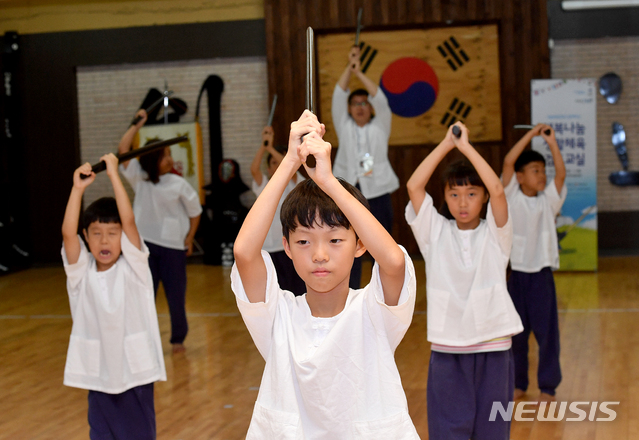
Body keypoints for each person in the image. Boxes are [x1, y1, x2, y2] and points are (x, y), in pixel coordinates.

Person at [232, 111, 419, 438]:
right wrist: (290, 160)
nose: (319, 254)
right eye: (303, 241)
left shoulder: (374, 311)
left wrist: (327, 181)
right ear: (286, 248)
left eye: (335, 240)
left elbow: (393, 262)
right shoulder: (279, 315)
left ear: (360, 245)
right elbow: (245, 253)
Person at [405, 122, 523, 440]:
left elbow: (499, 189)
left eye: (471, 193)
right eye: (454, 194)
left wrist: (466, 147)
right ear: (444, 196)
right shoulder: (434, 232)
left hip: (494, 345)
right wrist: (447, 145)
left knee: (493, 430)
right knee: (447, 431)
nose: (462, 202)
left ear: (483, 197)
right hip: (448, 348)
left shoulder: (498, 235)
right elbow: (415, 186)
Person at [61, 153, 166, 440]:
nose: (104, 241)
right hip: (98, 374)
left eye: (112, 233)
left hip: (136, 374)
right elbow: (68, 235)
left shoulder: (136, 268)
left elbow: (129, 220)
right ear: (86, 236)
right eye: (96, 233)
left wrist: (114, 176)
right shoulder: (80, 274)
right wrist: (77, 188)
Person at [119, 109, 203, 353]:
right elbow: (123, 149)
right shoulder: (140, 177)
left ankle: (178, 339)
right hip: (144, 247)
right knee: (145, 295)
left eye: (169, 154)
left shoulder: (178, 183)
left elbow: (195, 212)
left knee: (176, 296)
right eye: (165, 155)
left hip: (173, 249)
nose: (169, 159)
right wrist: (137, 124)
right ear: (153, 159)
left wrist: (189, 238)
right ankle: (144, 338)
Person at [501, 124, 566, 402]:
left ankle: (548, 385)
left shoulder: (548, 201)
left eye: (543, 170)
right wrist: (531, 135)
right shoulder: (511, 196)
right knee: (517, 335)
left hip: (541, 277)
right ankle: (518, 383)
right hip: (516, 277)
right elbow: (507, 161)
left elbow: (561, 173)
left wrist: (550, 142)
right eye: (535, 171)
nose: (542, 175)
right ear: (519, 177)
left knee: (547, 333)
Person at [332, 45, 400, 289]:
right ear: (349, 109)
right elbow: (338, 95)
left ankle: (384, 291)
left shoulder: (380, 126)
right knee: (350, 244)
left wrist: (360, 73)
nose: (360, 106)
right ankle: (351, 293)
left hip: (378, 193)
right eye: (355, 103)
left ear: (369, 108)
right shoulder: (345, 126)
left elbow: (381, 100)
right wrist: (349, 69)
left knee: (380, 245)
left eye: (364, 103)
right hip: (349, 193)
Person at [249, 125, 306, 296]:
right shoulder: (263, 185)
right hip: (269, 248)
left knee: (296, 289)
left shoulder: (294, 181)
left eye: (280, 162)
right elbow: (253, 169)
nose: (277, 165)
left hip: (290, 246)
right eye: (273, 163)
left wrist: (271, 148)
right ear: (268, 169)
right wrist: (264, 146)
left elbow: (291, 166)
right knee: (275, 292)